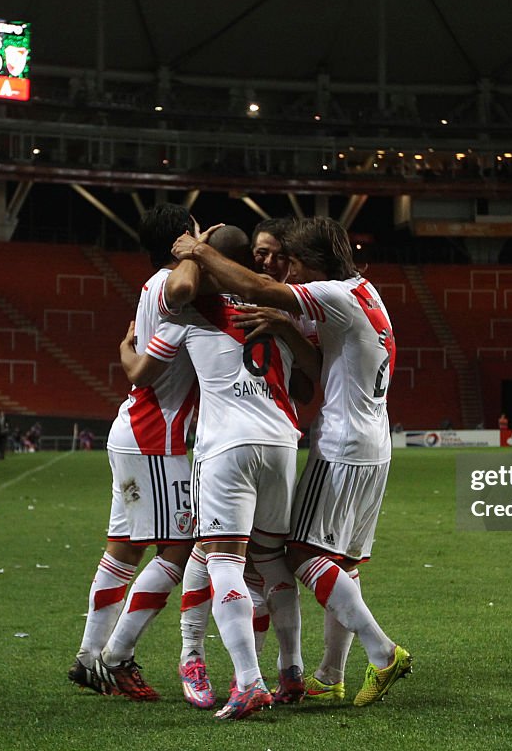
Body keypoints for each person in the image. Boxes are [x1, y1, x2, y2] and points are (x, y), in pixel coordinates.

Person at [173, 215, 412, 708]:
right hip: (375, 443)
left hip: (343, 445)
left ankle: (383, 652)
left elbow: (260, 286)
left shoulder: (331, 294)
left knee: (301, 554)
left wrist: (197, 251)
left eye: (294, 262)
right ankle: (329, 672)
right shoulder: (366, 290)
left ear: (314, 264)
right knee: (341, 562)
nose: (289, 271)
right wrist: (287, 329)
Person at [128, 224, 316, 719]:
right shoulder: (274, 312)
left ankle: (249, 681)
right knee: (272, 560)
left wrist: (195, 249)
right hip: (281, 441)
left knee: (223, 560)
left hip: (226, 446)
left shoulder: (193, 310)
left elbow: (177, 295)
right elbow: (305, 387)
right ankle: (291, 672)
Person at [68, 204, 209, 702]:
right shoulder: (175, 291)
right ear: (180, 240)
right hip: (155, 438)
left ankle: (89, 658)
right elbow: (143, 372)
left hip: (134, 432)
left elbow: (137, 365)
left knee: (124, 550)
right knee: (181, 547)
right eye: (195, 232)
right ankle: (118, 654)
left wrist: (127, 352)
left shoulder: (152, 285)